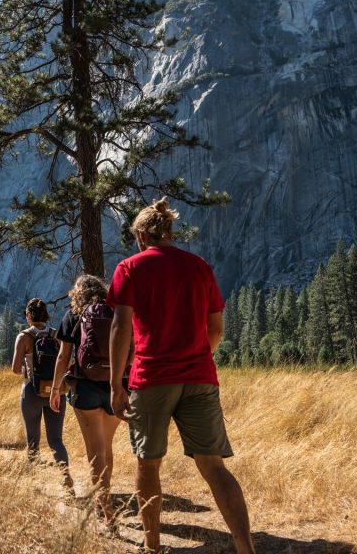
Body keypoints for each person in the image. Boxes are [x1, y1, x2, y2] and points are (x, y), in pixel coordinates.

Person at [107, 197, 254, 554]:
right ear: (170, 233)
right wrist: (197, 355)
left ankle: (152, 544)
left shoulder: (130, 268)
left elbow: (120, 326)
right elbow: (216, 327)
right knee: (213, 466)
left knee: (149, 463)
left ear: (142, 235)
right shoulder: (199, 267)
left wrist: (115, 383)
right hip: (200, 376)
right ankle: (245, 548)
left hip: (152, 377)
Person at [49, 275, 121, 523]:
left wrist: (55, 388)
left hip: (85, 388)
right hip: (115, 387)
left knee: (95, 451)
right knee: (107, 447)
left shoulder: (73, 315)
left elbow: (63, 356)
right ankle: (106, 500)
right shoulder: (116, 312)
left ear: (77, 293)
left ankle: (105, 511)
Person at [11, 298, 69, 474]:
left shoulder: (24, 336)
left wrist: (30, 369)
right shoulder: (56, 335)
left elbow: (15, 369)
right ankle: (66, 477)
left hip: (31, 392)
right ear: (45, 315)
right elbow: (65, 361)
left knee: (33, 439)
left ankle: (33, 480)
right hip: (56, 391)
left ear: (28, 315)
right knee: (56, 440)